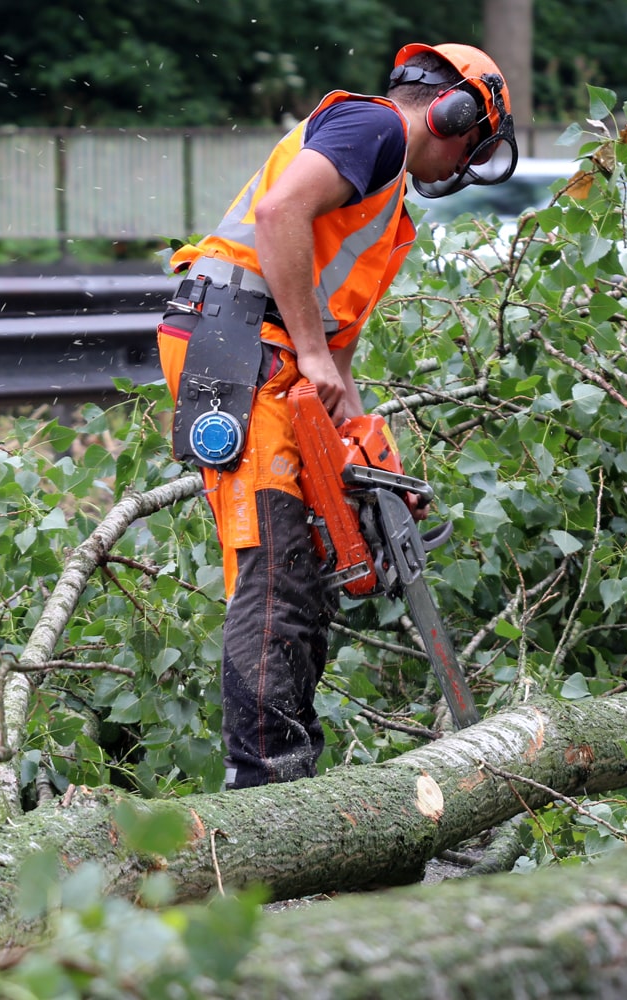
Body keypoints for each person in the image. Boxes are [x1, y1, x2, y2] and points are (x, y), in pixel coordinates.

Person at [157, 43, 518, 789]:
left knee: (311, 565)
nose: (460, 165)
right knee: (275, 562)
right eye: (470, 147)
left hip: (272, 356)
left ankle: (290, 775)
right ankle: (263, 784)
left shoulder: (385, 212)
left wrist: (367, 457)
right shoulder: (373, 128)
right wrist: (315, 359)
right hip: (236, 342)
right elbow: (278, 210)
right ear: (456, 114)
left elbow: (337, 365)